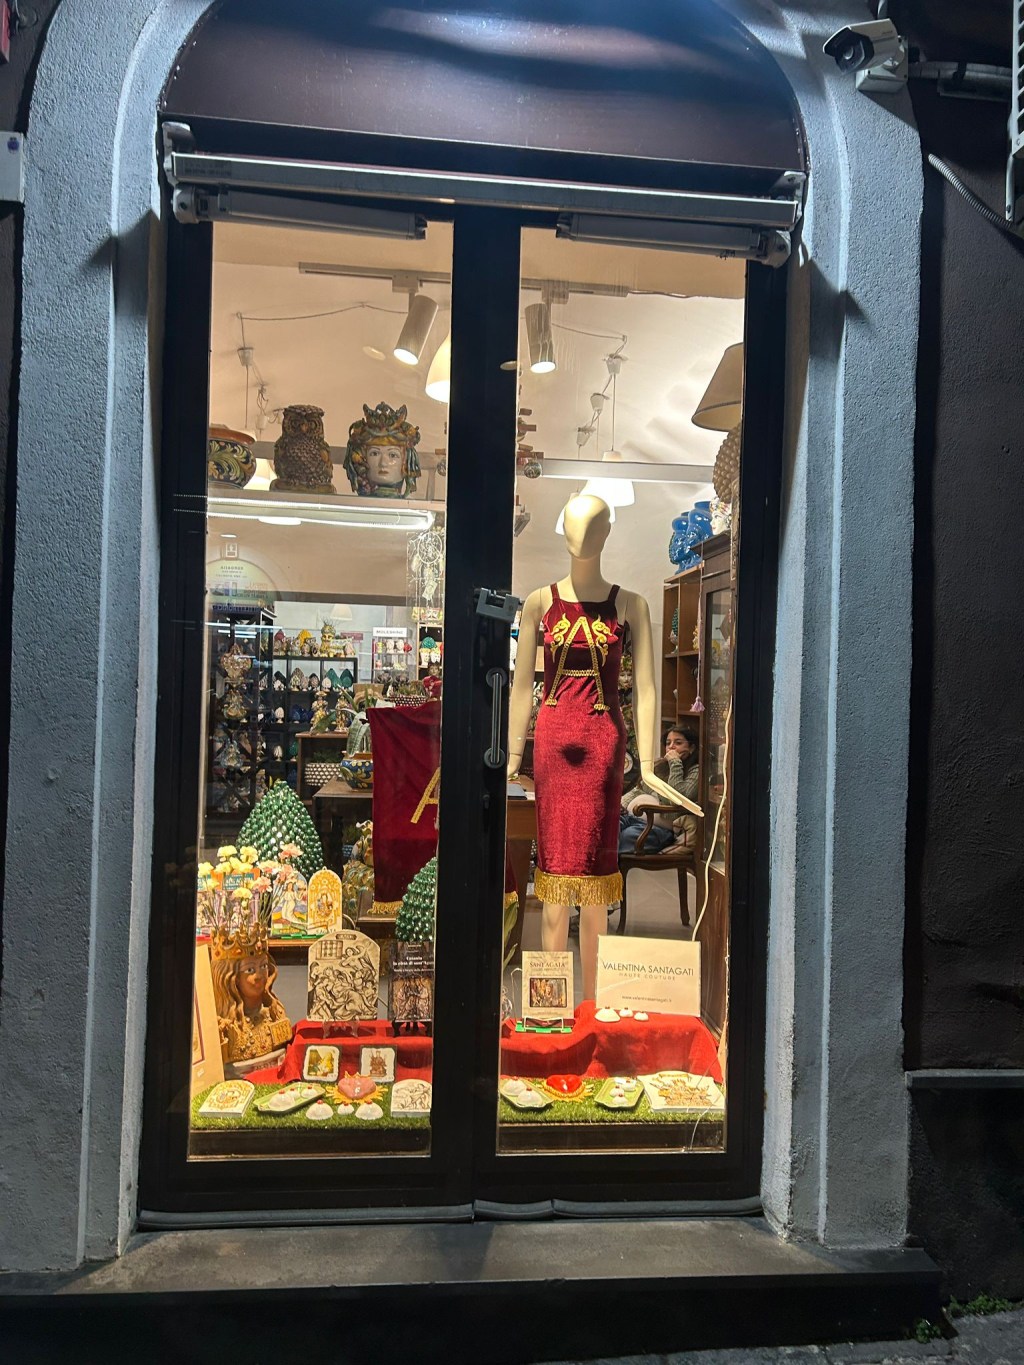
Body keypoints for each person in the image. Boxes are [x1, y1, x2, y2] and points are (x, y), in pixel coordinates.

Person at [618, 727, 699, 854]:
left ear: (691, 748)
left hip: (658, 828)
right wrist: (620, 805)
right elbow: (639, 790)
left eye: (678, 743)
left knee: (627, 836)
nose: (671, 747)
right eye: (668, 743)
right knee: (609, 827)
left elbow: (678, 798)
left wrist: (675, 762)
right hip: (632, 817)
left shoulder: (695, 770)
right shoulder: (660, 766)